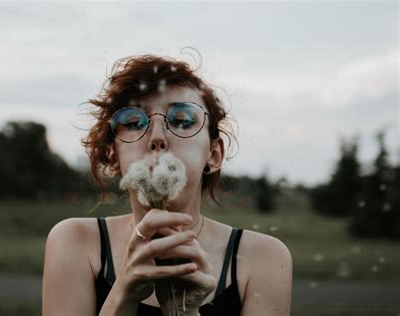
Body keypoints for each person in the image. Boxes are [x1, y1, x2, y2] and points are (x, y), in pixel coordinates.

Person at [42, 52, 292, 316]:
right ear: (113, 157)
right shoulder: (75, 243)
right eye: (134, 122)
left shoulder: (264, 259)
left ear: (214, 154)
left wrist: (183, 312)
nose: (158, 137)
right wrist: (122, 296)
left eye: (182, 120)